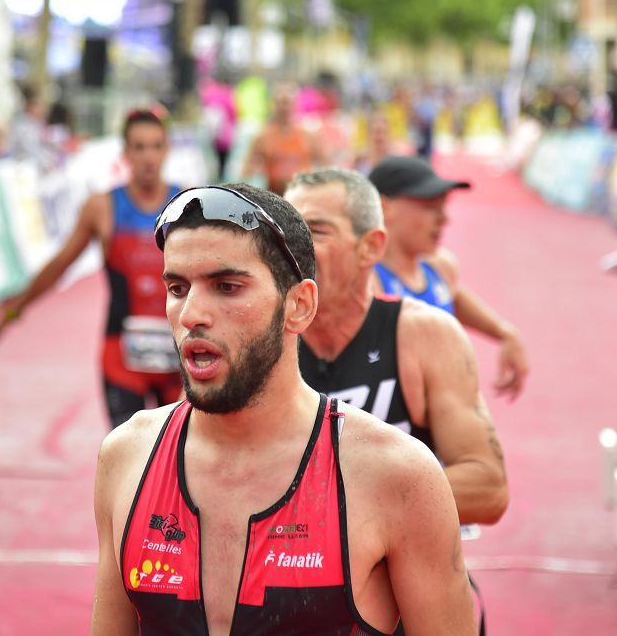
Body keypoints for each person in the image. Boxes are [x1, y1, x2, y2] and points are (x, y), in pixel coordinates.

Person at [91, 184, 477, 635]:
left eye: (227, 286)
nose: (191, 313)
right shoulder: (125, 457)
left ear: (299, 306)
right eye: (177, 287)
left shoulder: (396, 474)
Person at [284, 168, 508, 525]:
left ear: (370, 246)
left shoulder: (424, 334)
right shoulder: (260, 341)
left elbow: (488, 487)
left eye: (316, 231)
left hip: (401, 573)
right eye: (286, 232)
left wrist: (329, 510)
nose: (293, 247)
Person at [0, 108, 182, 427]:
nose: (148, 157)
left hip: (179, 362)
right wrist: (14, 310)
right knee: (130, 465)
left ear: (167, 150)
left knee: (179, 465)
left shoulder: (187, 203)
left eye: (156, 146)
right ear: (125, 153)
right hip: (121, 358)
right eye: (140, 147)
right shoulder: (101, 207)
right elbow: (60, 265)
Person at [369, 156, 529, 400]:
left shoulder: (439, 267)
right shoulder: (368, 282)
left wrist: (504, 332)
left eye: (444, 207)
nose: (445, 220)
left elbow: (453, 296)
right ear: (385, 208)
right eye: (431, 207)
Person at [242, 83, 324, 195]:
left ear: (295, 104)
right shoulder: (263, 137)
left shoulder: (308, 136)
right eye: (280, 103)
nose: (284, 107)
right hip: (273, 196)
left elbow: (325, 166)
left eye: (287, 102)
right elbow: (247, 170)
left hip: (302, 195)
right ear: (273, 105)